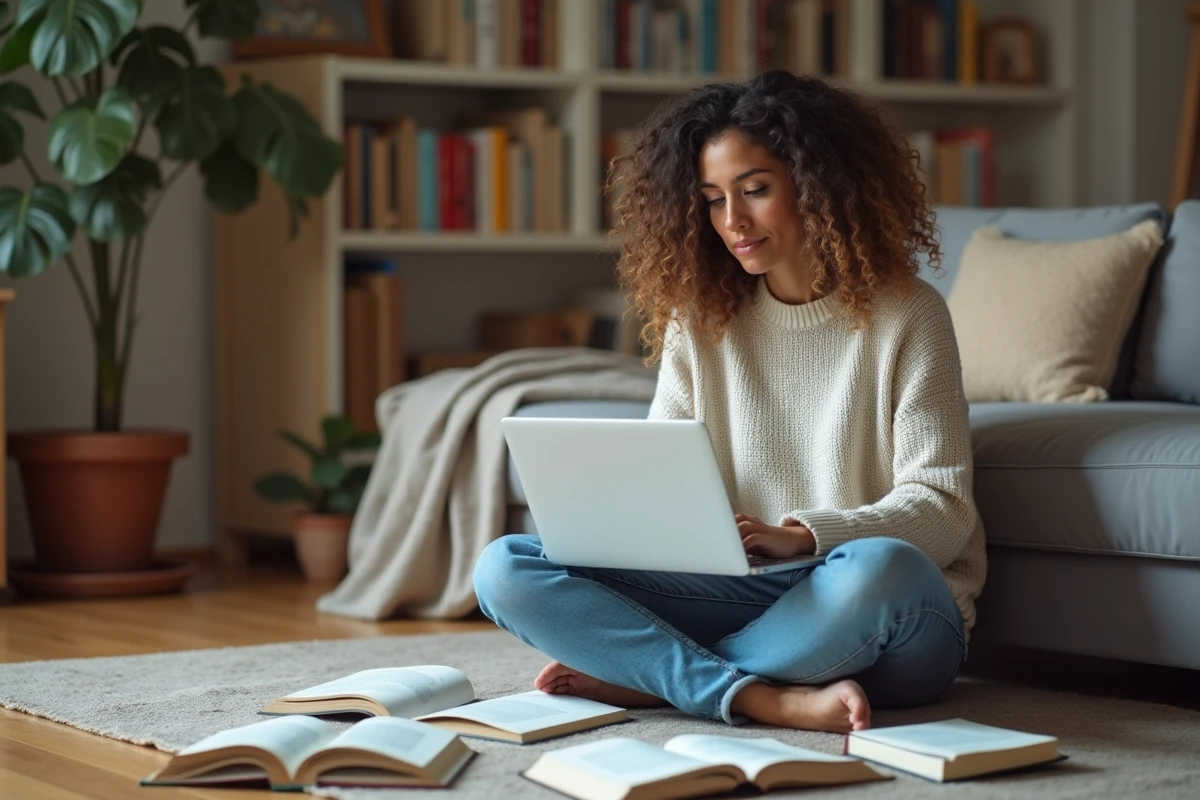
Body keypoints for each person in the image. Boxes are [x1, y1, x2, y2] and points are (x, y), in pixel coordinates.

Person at [472, 70, 986, 734]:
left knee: (884, 567)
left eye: (756, 190)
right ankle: (757, 697)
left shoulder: (909, 313)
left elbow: (943, 510)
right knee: (505, 566)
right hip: (741, 597)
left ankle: (666, 678)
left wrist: (802, 534)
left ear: (820, 184)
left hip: (877, 615)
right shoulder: (702, 318)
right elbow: (660, 490)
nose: (732, 221)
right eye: (713, 200)